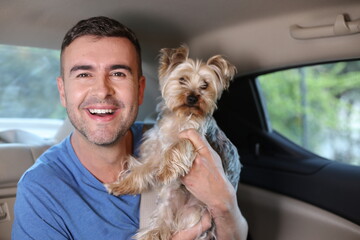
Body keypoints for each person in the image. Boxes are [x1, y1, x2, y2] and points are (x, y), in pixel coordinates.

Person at [12, 16, 248, 240]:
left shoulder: (167, 137)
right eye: (84, 74)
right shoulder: (40, 189)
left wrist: (224, 203)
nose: (102, 90)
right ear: (63, 91)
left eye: (117, 73)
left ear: (140, 89)